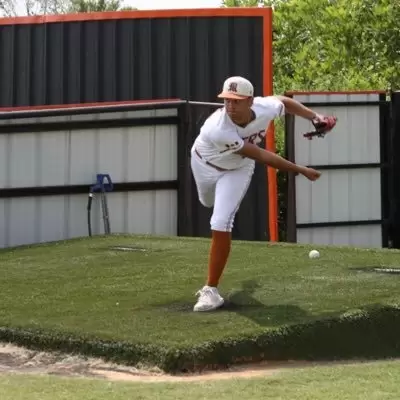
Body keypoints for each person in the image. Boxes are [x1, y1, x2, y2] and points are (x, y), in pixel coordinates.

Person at [190, 76, 336, 312]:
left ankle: (211, 290)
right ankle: (213, 283)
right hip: (204, 165)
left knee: (220, 221)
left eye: (236, 101)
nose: (230, 106)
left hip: (237, 169)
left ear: (250, 101)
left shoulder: (263, 107)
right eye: (227, 100)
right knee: (206, 202)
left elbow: (283, 101)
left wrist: (314, 116)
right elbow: (262, 155)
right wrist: (300, 169)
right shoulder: (218, 129)